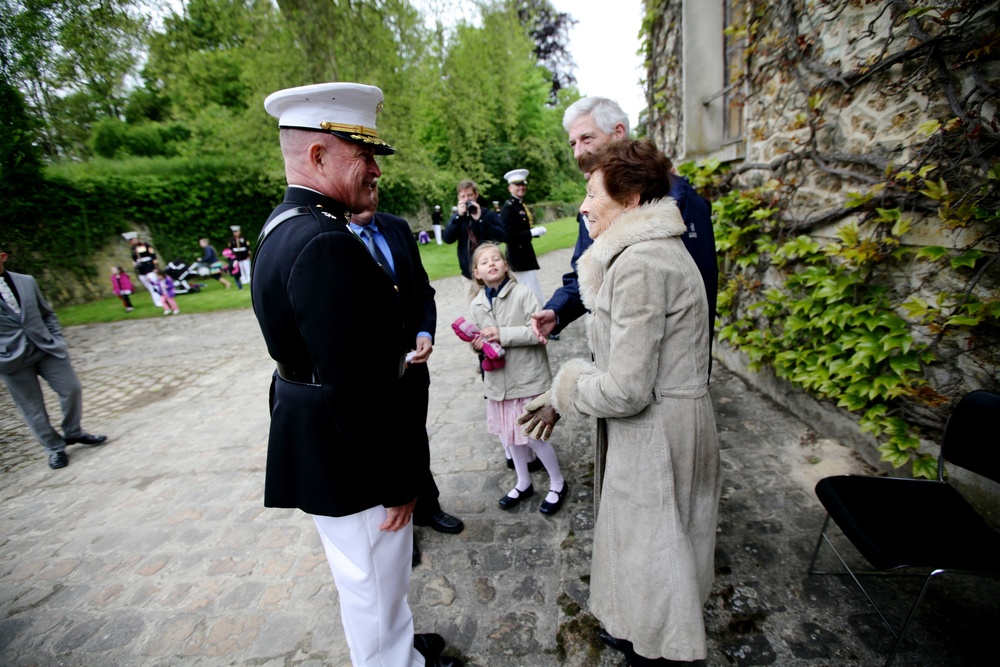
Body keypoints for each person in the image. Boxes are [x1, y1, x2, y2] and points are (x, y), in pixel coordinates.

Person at [254, 81, 462, 667]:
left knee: (368, 575)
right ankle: (392, 662)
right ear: (318, 155)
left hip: (319, 431)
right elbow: (353, 380)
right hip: (350, 451)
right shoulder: (324, 241)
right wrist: (395, 480)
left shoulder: (283, 225)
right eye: (362, 155)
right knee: (372, 579)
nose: (374, 169)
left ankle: (393, 645)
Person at [521, 140, 721, 665]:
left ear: (631, 199)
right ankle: (642, 631)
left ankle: (652, 647)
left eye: (592, 194)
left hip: (657, 431)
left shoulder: (640, 266)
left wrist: (565, 389)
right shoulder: (645, 253)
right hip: (666, 421)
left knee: (655, 556)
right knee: (654, 551)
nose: (583, 206)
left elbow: (627, 389)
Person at [529, 97, 718, 349]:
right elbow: (584, 273)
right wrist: (557, 310)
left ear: (618, 132)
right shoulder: (596, 204)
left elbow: (694, 293)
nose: (578, 152)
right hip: (614, 354)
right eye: (573, 143)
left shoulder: (678, 199)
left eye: (587, 139)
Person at [350, 186, 465, 564]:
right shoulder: (332, 240)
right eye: (363, 191)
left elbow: (423, 289)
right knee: (387, 444)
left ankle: (428, 507)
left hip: (414, 365)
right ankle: (403, 529)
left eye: (374, 189)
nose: (371, 197)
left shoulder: (397, 227)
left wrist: (425, 332)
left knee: (415, 436)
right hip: (370, 374)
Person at [466, 242, 567, 516]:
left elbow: (538, 334)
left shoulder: (524, 294)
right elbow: (478, 338)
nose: (491, 264)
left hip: (527, 380)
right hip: (498, 383)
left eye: (496, 259)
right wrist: (476, 344)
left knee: (533, 437)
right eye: (484, 262)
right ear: (477, 273)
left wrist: (502, 334)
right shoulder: (476, 304)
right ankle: (524, 482)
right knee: (510, 438)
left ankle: (557, 482)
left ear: (506, 265)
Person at [0, 246, 107, 469]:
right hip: (11, 360)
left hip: (46, 348)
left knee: (71, 389)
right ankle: (54, 447)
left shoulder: (26, 281)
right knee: (31, 407)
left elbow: (47, 313)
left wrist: (57, 338)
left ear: (3, 257)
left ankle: (73, 431)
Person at [441, 179, 505, 302]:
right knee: (476, 312)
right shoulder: (457, 218)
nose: (467, 199)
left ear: (476, 195)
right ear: (459, 198)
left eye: (469, 195)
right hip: (469, 275)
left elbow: (501, 237)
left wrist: (480, 220)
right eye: (463, 196)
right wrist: (459, 217)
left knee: (498, 308)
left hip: (491, 273)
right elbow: (448, 239)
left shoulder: (487, 214)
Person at [499, 169, 545, 303]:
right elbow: (507, 236)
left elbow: (518, 228)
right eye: (517, 185)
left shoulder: (518, 204)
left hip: (524, 255)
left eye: (523, 184)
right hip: (518, 257)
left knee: (532, 288)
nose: (521, 187)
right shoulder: (509, 208)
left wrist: (532, 231)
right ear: (509, 188)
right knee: (530, 292)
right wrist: (531, 233)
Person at [125, 232, 163, 308]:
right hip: (141, 271)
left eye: (132, 240)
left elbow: (153, 256)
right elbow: (135, 259)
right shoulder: (132, 249)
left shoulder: (146, 246)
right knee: (149, 287)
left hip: (149, 268)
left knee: (154, 286)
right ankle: (158, 300)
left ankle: (160, 301)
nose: (132, 242)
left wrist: (156, 268)